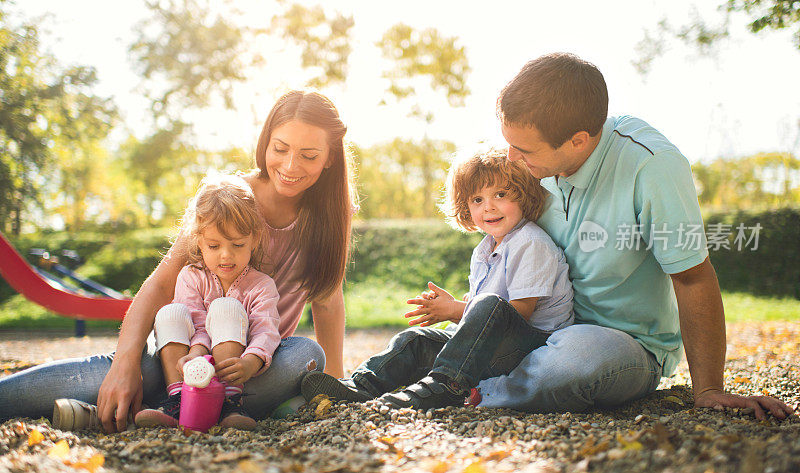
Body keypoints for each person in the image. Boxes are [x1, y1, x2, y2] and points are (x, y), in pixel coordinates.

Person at [0, 90, 358, 432]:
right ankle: (173, 400)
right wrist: (126, 362)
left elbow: (327, 300)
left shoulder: (328, 218)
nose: (290, 166)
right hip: (182, 356)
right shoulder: (232, 198)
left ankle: (158, 409)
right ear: (266, 143)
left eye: (309, 156)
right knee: (134, 373)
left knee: (306, 356)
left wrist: (337, 386)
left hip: (249, 367)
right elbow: (161, 283)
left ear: (329, 158)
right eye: (280, 149)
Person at [473, 52, 793, 420]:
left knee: (571, 364)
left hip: (619, 343)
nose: (510, 158)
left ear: (578, 141)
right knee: (435, 341)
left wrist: (708, 389)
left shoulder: (652, 166)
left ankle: (472, 389)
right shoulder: (533, 159)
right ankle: (456, 372)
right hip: (542, 325)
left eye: (524, 149)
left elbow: (692, 276)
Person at [301, 149, 574, 409]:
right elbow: (482, 314)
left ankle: (445, 386)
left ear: (523, 195)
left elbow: (518, 312)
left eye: (500, 194)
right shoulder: (484, 249)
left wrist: (457, 309)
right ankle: (358, 387)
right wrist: (457, 307)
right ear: (466, 207)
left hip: (529, 346)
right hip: (490, 348)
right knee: (414, 340)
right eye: (477, 200)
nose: (488, 207)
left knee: (489, 304)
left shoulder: (530, 242)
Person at [130, 174, 280, 431]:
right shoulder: (191, 276)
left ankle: (231, 403)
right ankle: (178, 399)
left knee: (226, 307)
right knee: (170, 313)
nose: (226, 255)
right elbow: (195, 321)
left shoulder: (261, 285)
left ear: (254, 240)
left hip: (233, 371)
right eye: (213, 245)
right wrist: (197, 353)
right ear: (199, 242)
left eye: (238, 244)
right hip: (190, 363)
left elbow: (266, 329)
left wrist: (250, 361)